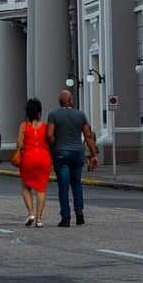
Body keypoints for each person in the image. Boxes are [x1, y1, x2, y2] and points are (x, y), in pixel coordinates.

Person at [47, 90, 98, 227]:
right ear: (70, 101)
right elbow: (88, 136)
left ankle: (66, 217)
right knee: (76, 183)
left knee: (63, 186)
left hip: (61, 154)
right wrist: (94, 154)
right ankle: (79, 212)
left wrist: (54, 147)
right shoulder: (80, 115)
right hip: (77, 153)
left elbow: (50, 135)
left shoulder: (53, 115)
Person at [17, 98, 52, 228]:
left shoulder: (24, 126)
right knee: (41, 189)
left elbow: (19, 144)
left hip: (28, 158)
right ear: (39, 111)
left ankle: (31, 213)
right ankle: (39, 219)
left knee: (26, 187)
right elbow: (50, 140)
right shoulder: (45, 126)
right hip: (43, 158)